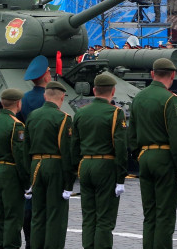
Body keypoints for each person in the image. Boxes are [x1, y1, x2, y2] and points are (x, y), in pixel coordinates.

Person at [129, 57, 177, 249]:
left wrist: (140, 155)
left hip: (145, 157)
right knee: (165, 215)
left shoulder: (138, 97)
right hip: (165, 159)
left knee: (149, 214)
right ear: (173, 75)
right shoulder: (171, 99)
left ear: (153, 74)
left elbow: (132, 134)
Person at [71, 73, 127, 249]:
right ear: (113, 91)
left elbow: (74, 146)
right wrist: (120, 178)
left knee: (88, 216)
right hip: (106, 166)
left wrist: (74, 170)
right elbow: (121, 148)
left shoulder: (80, 112)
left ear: (94, 90)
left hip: (85, 165)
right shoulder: (116, 113)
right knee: (104, 217)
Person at [24, 80, 74, 249]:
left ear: (45, 96)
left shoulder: (32, 116)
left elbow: (25, 148)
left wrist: (28, 178)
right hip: (55, 166)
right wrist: (69, 181)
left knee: (37, 214)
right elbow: (67, 152)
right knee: (56, 215)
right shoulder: (64, 118)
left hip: (35, 165)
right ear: (62, 98)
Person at [0, 88, 28, 249]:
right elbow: (20, 156)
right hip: (10, 173)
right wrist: (27, 182)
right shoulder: (16, 125)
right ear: (18, 103)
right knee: (13, 216)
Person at [20, 56, 51, 249]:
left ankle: (30, 240)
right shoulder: (47, 100)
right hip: (48, 153)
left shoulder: (25, 99)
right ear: (46, 75)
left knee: (29, 199)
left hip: (30, 154)